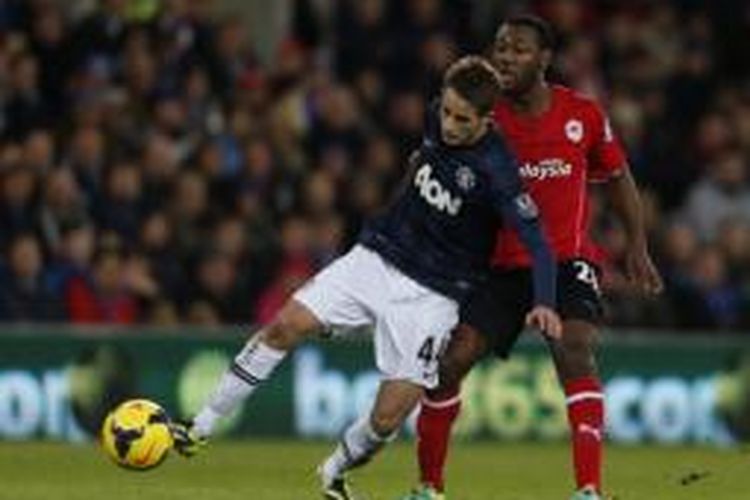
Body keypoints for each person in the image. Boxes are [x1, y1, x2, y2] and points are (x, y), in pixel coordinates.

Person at [170, 56, 562, 500]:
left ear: (487, 120)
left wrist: (545, 300)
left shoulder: (498, 172)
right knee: (285, 325)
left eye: (462, 119)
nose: (449, 124)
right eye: (447, 112)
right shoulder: (437, 116)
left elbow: (539, 243)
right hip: (376, 257)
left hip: (433, 295)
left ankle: (333, 472)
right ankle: (197, 427)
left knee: (387, 418)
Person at [404, 16, 663, 500]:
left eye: (519, 49)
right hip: (497, 265)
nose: (505, 56)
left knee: (575, 346)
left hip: (566, 261)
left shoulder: (582, 114)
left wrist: (638, 245)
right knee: (451, 361)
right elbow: (430, 167)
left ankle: (588, 490)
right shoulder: (479, 114)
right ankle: (428, 489)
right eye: (500, 47)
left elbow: (620, 176)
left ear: (544, 60)